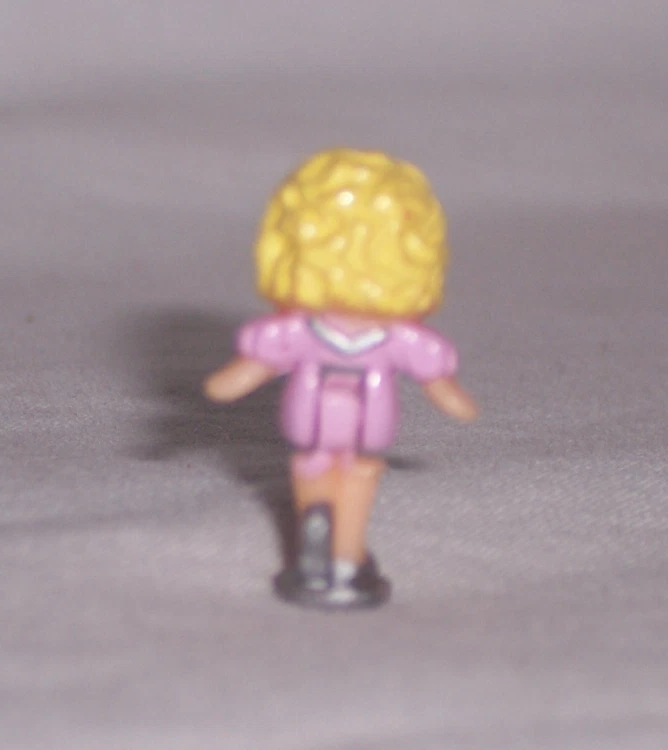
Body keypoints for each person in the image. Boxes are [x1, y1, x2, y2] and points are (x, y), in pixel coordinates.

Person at [204, 147, 477, 609]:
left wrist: (453, 398)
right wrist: (229, 382)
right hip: (314, 421)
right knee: (321, 471)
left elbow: (437, 379)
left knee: (352, 476)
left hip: (360, 427)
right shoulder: (300, 332)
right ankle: (330, 553)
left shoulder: (395, 339)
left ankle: (342, 554)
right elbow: (256, 365)